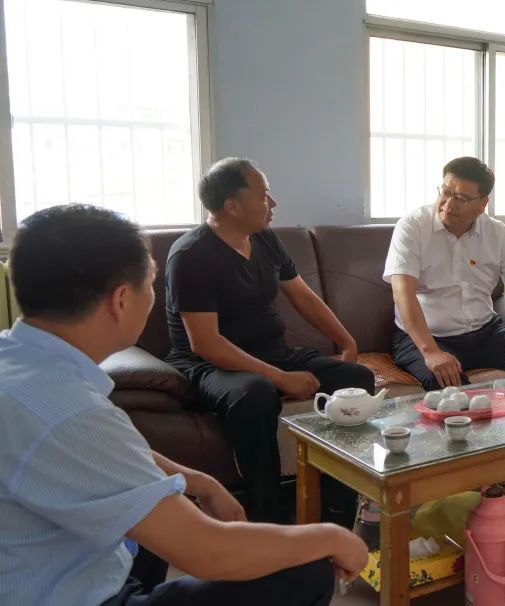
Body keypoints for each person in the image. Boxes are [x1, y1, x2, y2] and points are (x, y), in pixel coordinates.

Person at [0, 204, 368, 606]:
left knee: (152, 515)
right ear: (121, 299)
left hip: (57, 566)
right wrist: (331, 537)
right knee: (306, 566)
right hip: (72, 594)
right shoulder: (70, 413)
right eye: (150, 284)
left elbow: (104, 453)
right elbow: (210, 552)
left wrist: (198, 481)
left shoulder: (19, 362)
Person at [165, 158, 374, 522]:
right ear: (232, 205)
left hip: (273, 353)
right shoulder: (191, 256)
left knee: (355, 378)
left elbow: (302, 295)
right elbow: (206, 344)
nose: (273, 203)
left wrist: (346, 342)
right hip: (211, 365)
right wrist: (280, 378)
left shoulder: (264, 239)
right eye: (263, 196)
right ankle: (267, 515)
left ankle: (336, 501)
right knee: (255, 393)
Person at [384, 156, 505, 390]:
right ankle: (481, 394)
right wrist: (431, 351)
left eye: (460, 198)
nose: (448, 204)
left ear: (483, 204)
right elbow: (402, 293)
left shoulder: (497, 233)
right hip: (429, 338)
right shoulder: (413, 226)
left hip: (485, 334)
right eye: (446, 192)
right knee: (445, 384)